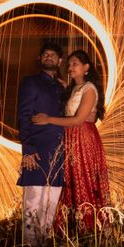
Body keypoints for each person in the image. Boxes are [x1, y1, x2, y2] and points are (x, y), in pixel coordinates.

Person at [32, 49, 110, 233]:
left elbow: (77, 119)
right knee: (72, 181)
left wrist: (48, 119)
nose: (70, 67)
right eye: (69, 64)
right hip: (71, 139)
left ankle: (91, 229)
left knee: (84, 180)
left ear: (86, 68)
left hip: (83, 139)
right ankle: (72, 229)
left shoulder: (89, 88)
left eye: (75, 64)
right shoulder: (72, 88)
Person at [17, 42, 67, 244]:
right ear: (40, 59)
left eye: (53, 54)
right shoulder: (31, 82)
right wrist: (27, 149)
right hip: (37, 151)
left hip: (59, 152)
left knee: (51, 202)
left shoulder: (63, 87)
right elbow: (23, 115)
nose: (48, 56)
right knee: (33, 201)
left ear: (59, 61)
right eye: (44, 54)